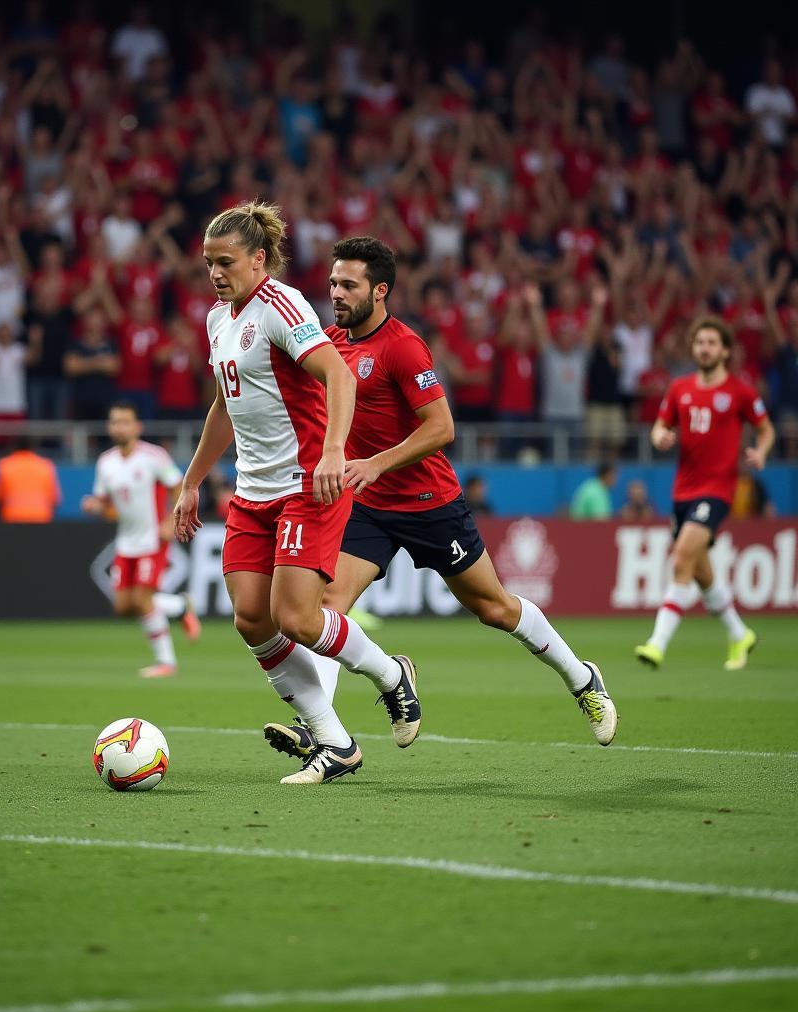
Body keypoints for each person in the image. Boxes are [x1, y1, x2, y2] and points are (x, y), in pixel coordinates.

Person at [264, 237, 617, 765]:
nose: (335, 293)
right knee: (324, 609)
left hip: (429, 501)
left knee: (494, 609)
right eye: (333, 283)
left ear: (379, 291)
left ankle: (581, 676)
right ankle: (324, 728)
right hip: (366, 504)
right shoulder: (330, 343)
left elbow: (442, 427)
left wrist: (376, 463)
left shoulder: (404, 346)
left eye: (348, 285)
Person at [173, 203, 417, 785]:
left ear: (259, 259)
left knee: (299, 618)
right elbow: (223, 407)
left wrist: (335, 450)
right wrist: (190, 482)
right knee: (251, 617)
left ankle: (389, 675)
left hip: (308, 484)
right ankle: (336, 743)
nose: (215, 273)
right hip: (253, 492)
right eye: (208, 263)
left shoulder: (282, 306)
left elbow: (337, 373)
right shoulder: (217, 320)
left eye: (225, 261)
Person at [635, 316, 775, 671]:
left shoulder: (740, 391)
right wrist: (659, 437)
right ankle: (739, 633)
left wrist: (761, 451)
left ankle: (657, 643)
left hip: (717, 490)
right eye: (700, 342)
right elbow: (660, 426)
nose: (705, 348)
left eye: (712, 343)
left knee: (682, 556)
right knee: (700, 570)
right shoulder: (680, 388)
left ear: (725, 351)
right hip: (683, 491)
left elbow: (766, 428)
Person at [82, 403, 201, 678]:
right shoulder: (106, 462)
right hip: (125, 541)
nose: (119, 427)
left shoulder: (153, 457)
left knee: (143, 599)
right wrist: (95, 506)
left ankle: (166, 663)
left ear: (137, 427)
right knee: (123, 606)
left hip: (153, 538)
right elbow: (105, 502)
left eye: (125, 421)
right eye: (114, 422)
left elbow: (178, 486)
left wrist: (170, 522)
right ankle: (180, 606)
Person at [0, 439, 62, 523]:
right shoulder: (45, 465)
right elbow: (55, 499)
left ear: (13, 448)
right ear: (33, 448)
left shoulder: (5, 465)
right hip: (41, 517)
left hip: (12, 516)